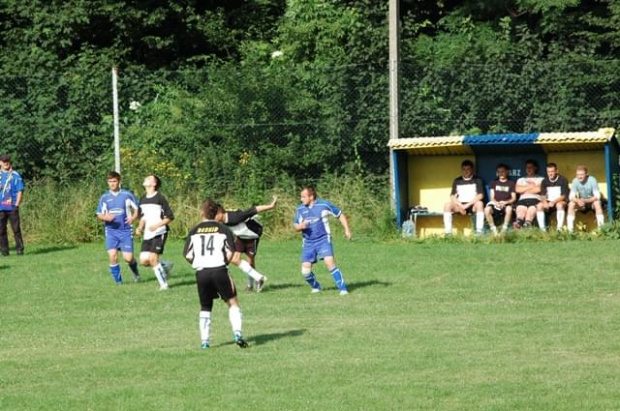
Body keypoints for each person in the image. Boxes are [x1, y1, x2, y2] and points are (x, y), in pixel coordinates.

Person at [183, 199, 249, 350]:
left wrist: (198, 262)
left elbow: (187, 254)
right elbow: (231, 252)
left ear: (202, 213)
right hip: (219, 270)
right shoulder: (223, 229)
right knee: (232, 302)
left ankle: (205, 341)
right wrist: (223, 262)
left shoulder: (194, 230)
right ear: (217, 213)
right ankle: (237, 333)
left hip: (202, 273)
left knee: (205, 307)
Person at [294, 186, 351, 295]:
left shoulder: (323, 205)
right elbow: (295, 226)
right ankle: (316, 286)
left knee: (329, 262)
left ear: (311, 197)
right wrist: (301, 226)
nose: (301, 199)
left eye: (303, 197)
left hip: (323, 239)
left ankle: (343, 289)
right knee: (305, 271)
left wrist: (347, 230)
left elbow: (340, 214)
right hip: (308, 243)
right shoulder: (300, 209)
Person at [216, 196, 278, 293]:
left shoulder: (235, 217)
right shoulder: (222, 222)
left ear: (220, 212)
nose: (213, 218)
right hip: (241, 237)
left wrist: (270, 206)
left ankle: (251, 285)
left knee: (250, 262)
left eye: (214, 215)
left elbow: (253, 210)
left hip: (252, 236)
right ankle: (258, 278)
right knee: (234, 259)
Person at [96, 171, 140, 284]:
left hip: (125, 231)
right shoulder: (104, 197)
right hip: (111, 232)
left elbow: (137, 209)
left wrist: (133, 218)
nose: (112, 184)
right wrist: (106, 218)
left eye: (114, 181)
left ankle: (135, 272)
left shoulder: (127, 195)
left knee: (128, 258)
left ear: (119, 182)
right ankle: (118, 282)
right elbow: (99, 214)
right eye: (110, 181)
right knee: (112, 256)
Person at [135, 175, 174, 290]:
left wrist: (156, 226)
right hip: (148, 233)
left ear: (154, 183)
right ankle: (165, 266)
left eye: (148, 178)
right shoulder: (142, 199)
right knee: (144, 261)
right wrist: (140, 227)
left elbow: (169, 217)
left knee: (152, 258)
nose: (145, 179)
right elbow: (143, 217)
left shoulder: (160, 198)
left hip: (159, 232)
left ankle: (164, 285)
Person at [443, 160, 485, 235]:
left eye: (468, 169)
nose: (466, 171)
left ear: (472, 169)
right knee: (447, 205)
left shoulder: (478, 180)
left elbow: (480, 195)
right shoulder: (457, 180)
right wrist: (460, 205)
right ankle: (448, 233)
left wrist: (466, 205)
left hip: (472, 205)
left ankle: (479, 232)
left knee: (480, 204)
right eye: (464, 169)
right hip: (460, 205)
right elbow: (452, 196)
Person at [567, 165, 605, 232]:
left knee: (597, 203)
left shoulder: (592, 180)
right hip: (582, 203)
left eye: (581, 174)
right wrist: (578, 201)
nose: (579, 176)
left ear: (586, 174)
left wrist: (586, 200)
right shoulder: (575, 181)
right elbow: (571, 196)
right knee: (571, 204)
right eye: (578, 175)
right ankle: (570, 231)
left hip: (591, 202)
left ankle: (601, 230)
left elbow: (597, 196)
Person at [0, 155, 25, 256]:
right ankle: (4, 250)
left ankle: (20, 249)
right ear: (0, 163)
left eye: (8, 161)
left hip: (12, 206)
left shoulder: (15, 175)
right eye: (4, 161)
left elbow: (20, 190)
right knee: (1, 229)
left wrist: (17, 204)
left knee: (16, 228)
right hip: (1, 207)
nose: (6, 163)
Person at [484, 163, 516, 235]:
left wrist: (505, 202)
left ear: (507, 172)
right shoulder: (494, 182)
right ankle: (493, 230)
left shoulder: (511, 183)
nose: (501, 173)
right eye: (499, 172)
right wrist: (496, 203)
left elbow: (514, 198)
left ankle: (504, 230)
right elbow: (492, 197)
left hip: (506, 204)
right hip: (495, 204)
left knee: (509, 209)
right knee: (487, 209)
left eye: (502, 171)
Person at [536, 162, 569, 232]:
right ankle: (543, 230)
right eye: (548, 172)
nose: (550, 174)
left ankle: (559, 229)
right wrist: (544, 202)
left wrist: (554, 202)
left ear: (556, 171)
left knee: (559, 205)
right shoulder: (544, 181)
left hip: (559, 201)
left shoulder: (563, 180)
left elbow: (564, 195)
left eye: (552, 171)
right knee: (539, 206)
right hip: (548, 201)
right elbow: (543, 195)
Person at [513, 159, 543, 229]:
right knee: (521, 210)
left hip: (535, 199)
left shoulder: (541, 179)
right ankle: (518, 223)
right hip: (523, 199)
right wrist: (532, 187)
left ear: (535, 168)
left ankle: (527, 224)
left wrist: (524, 189)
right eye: (527, 167)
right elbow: (517, 190)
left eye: (530, 167)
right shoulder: (521, 179)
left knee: (531, 210)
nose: (528, 169)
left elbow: (539, 189)